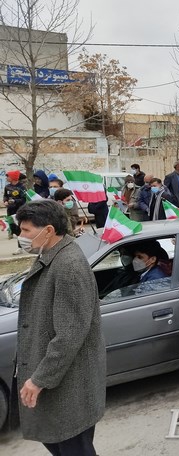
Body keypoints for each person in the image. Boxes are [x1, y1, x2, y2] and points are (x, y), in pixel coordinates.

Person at [14, 199, 106, 455]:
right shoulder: (52, 255)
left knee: (73, 448)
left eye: (26, 230)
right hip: (60, 384)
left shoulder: (69, 266)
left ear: (48, 231)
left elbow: (69, 335)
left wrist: (39, 379)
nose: (21, 236)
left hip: (70, 387)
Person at [3, 170, 26, 241]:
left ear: (13, 178)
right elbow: (5, 195)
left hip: (19, 208)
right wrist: (5, 201)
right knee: (11, 223)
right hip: (10, 208)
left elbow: (23, 199)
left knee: (19, 223)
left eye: (8, 176)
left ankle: (20, 236)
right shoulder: (7, 187)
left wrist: (15, 201)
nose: (6, 178)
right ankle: (12, 232)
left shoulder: (21, 187)